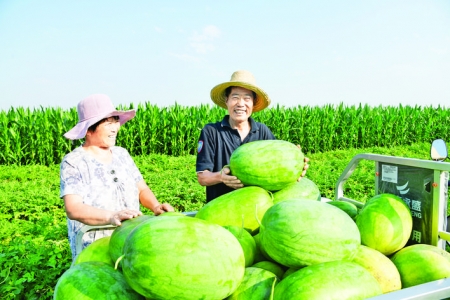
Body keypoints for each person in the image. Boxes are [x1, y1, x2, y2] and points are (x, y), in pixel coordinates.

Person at [60, 94, 174, 260]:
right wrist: (111, 217)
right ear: (89, 130)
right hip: (95, 246)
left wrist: (156, 206)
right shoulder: (74, 161)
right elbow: (73, 208)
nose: (115, 128)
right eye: (108, 123)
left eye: (115, 121)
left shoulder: (122, 154)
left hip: (131, 241)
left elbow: (141, 188)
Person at [196, 70, 309, 202]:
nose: (240, 103)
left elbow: (279, 163)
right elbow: (202, 177)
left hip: (256, 211)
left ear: (253, 103)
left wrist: (296, 164)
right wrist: (221, 177)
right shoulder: (211, 131)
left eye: (247, 98)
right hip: (221, 210)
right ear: (227, 100)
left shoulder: (263, 131)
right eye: (235, 97)